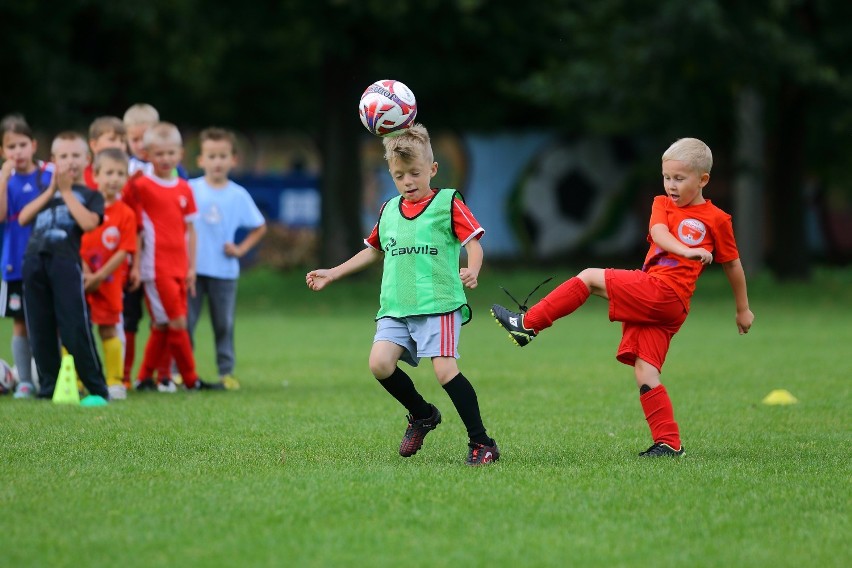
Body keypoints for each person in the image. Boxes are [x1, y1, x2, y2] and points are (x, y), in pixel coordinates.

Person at [491, 137, 755, 457]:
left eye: (679, 179)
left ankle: (527, 324)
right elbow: (659, 234)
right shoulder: (662, 204)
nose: (671, 185)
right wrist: (688, 250)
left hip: (664, 295)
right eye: (667, 177)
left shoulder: (718, 220)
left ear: (703, 180)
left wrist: (743, 309)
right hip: (664, 302)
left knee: (588, 277)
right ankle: (669, 443)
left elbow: (734, 265)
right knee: (646, 371)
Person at [306, 123, 499, 466]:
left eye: (415, 173)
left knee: (444, 372)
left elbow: (474, 243)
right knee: (379, 364)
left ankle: (482, 443)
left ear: (432, 169)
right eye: (399, 176)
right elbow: (371, 250)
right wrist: (332, 273)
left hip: (438, 304)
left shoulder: (448, 202)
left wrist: (473, 269)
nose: (408, 181)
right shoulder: (389, 209)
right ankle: (422, 415)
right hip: (396, 306)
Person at [121, 122, 221, 392]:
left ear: (180, 154)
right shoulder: (140, 186)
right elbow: (126, 215)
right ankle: (191, 379)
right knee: (177, 322)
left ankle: (144, 378)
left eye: (170, 153)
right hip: (155, 267)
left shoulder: (184, 188)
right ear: (148, 155)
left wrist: (191, 267)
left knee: (164, 325)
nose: (165, 159)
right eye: (158, 153)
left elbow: (190, 231)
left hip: (180, 267)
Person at [18, 131, 109, 402]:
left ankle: (96, 388)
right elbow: (23, 218)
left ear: (87, 159)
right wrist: (52, 191)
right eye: (64, 156)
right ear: (53, 160)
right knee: (39, 326)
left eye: (75, 156)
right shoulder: (45, 193)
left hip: (64, 263)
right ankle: (49, 387)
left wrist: (67, 192)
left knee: (74, 325)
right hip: (33, 261)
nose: (70, 161)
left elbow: (89, 223)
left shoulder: (90, 195)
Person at [188, 127, 266, 390]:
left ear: (233, 160)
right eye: (211, 156)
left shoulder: (238, 194)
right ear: (200, 160)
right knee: (185, 323)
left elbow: (259, 226)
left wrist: (241, 250)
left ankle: (226, 372)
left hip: (224, 271)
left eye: (222, 156)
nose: (217, 162)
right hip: (192, 270)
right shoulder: (190, 190)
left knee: (223, 325)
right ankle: (180, 372)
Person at [0, 114, 51, 398]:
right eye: (11, 147)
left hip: (46, 260)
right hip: (14, 263)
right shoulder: (4, 180)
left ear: (33, 145)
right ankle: (24, 382)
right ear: (2, 152)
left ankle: (49, 377)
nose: (17, 152)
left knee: (49, 322)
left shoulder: (48, 175)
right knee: (20, 322)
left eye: (22, 145)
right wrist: (3, 179)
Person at [80, 148, 137, 400]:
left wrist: (100, 276)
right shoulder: (84, 206)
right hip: (81, 280)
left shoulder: (126, 214)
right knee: (77, 329)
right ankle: (78, 378)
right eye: (109, 172)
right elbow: (74, 244)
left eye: (120, 173)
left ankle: (115, 380)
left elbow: (125, 250)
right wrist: (85, 274)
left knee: (108, 329)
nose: (114, 178)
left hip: (109, 282)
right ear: (96, 175)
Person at [84, 116, 127, 189]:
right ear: (94, 145)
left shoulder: (128, 176)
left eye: (122, 141)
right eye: (112, 139)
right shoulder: (83, 176)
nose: (119, 145)